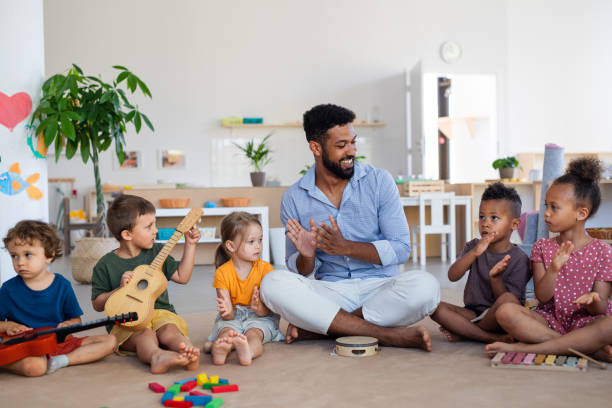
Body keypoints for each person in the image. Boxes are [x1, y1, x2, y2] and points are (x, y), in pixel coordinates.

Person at [260, 103, 440, 351]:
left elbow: (401, 249)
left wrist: (346, 247)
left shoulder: (379, 181)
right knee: (272, 283)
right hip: (331, 291)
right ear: (315, 147)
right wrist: (306, 256)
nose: (352, 151)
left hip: (380, 288)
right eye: (341, 145)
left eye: (353, 142)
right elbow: (299, 272)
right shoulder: (294, 197)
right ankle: (388, 335)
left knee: (426, 287)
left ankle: (329, 329)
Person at [487, 157, 612, 358]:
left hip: (587, 322)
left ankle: (528, 348)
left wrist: (592, 300)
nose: (546, 214)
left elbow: (600, 308)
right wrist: (554, 269)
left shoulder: (603, 251)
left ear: (581, 213)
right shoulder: (542, 247)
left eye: (554, 207)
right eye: (546, 205)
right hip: (549, 321)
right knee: (505, 312)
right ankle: (586, 348)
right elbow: (543, 296)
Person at [91, 194, 201, 374]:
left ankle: (186, 350)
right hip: (127, 321)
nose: (155, 230)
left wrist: (191, 245)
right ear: (127, 234)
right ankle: (156, 356)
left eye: (155, 224)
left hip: (161, 313)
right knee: (145, 335)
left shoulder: (158, 252)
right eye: (149, 226)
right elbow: (97, 304)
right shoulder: (105, 264)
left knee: (169, 331)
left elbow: (182, 276)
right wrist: (120, 289)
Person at [0, 220, 116, 377]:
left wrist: (68, 324)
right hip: (25, 348)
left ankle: (62, 360)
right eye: (14, 256)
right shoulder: (7, 289)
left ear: (49, 255)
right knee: (36, 367)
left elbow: (76, 320)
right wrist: (9, 326)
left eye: (28, 255)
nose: (20, 262)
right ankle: (8, 360)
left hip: (58, 342)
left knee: (110, 341)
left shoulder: (62, 285)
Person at [430, 183, 531, 343]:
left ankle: (466, 331)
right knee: (433, 307)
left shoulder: (520, 259)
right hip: (473, 313)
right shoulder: (474, 246)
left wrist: (495, 279)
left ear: (514, 224)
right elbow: (452, 276)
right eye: (482, 217)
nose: (486, 223)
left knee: (507, 301)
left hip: (499, 317)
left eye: (494, 218)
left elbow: (512, 305)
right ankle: (488, 337)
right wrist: (475, 253)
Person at [208, 212, 283, 366]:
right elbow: (228, 316)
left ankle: (248, 351)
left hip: (260, 317)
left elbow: (267, 312)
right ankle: (221, 350)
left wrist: (259, 308)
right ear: (231, 246)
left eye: (260, 240)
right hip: (234, 316)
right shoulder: (222, 273)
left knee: (253, 335)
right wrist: (227, 312)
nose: (258, 246)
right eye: (251, 241)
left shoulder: (265, 269)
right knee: (226, 333)